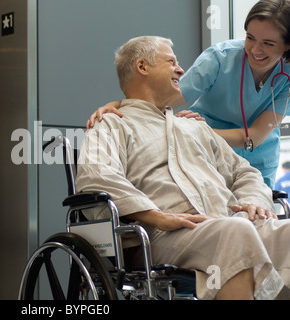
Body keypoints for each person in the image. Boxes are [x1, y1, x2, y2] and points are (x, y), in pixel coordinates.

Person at [75, 35, 290, 300]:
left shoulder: (195, 126)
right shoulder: (112, 125)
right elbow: (97, 178)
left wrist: (252, 201)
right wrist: (157, 216)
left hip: (225, 222)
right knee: (235, 232)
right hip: (160, 235)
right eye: (172, 62)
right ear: (142, 67)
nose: (181, 70)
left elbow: (243, 172)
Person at [86, 0, 290, 189]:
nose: (255, 49)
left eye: (268, 44)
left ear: (287, 45)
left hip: (257, 160)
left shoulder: (287, 77)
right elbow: (164, 99)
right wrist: (119, 105)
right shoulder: (220, 58)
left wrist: (192, 131)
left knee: (259, 211)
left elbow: (253, 137)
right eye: (250, 38)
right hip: (206, 153)